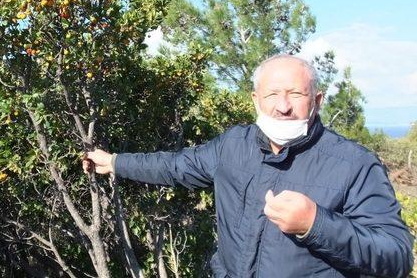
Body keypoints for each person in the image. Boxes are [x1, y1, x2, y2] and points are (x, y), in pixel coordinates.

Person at [83, 54, 414, 277]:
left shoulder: (355, 164)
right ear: (256, 100)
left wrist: (315, 224)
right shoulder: (233, 146)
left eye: (296, 94)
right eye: (272, 94)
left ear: (316, 101)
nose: (282, 106)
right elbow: (175, 166)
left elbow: (397, 257)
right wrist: (114, 162)